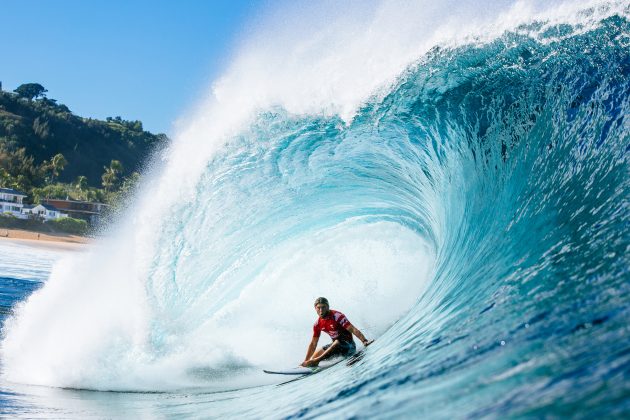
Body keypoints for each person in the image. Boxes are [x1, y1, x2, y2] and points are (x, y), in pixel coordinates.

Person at [301, 297, 373, 367]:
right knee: (315, 355)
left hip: (349, 347)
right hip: (335, 348)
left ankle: (317, 361)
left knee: (336, 342)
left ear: (328, 307)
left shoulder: (337, 316)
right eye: (318, 308)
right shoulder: (317, 324)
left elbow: (353, 329)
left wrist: (364, 341)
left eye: (323, 307)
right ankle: (312, 361)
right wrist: (305, 361)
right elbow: (313, 343)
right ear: (315, 308)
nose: (321, 310)